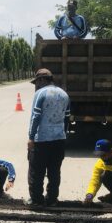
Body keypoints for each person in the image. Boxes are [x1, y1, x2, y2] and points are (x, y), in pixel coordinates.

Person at [28, 68, 71, 206]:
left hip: (42, 140)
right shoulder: (65, 95)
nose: (36, 85)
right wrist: (63, 134)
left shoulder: (40, 94)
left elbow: (35, 117)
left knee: (36, 172)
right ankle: (52, 199)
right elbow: (67, 118)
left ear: (41, 80)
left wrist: (31, 137)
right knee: (54, 172)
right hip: (59, 140)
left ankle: (36, 200)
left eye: (37, 82)